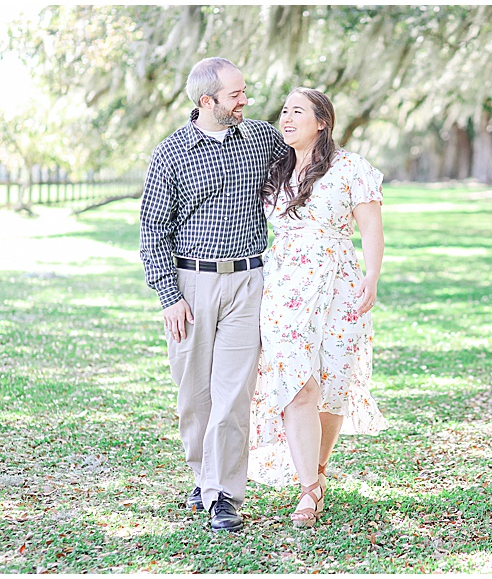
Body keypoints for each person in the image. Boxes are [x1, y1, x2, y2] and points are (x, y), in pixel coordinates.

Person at [139, 57, 289, 532]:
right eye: (235, 95)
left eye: (245, 91)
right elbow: (152, 232)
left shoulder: (263, 138)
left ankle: (223, 494)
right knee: (194, 398)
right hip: (191, 285)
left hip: (249, 281)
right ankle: (203, 476)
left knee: (233, 396)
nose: (245, 100)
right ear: (208, 102)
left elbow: (309, 157)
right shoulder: (171, 154)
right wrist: (169, 296)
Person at [248, 88, 389, 528]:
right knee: (298, 383)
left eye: (297, 111)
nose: (286, 118)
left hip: (339, 282)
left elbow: (370, 229)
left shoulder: (352, 168)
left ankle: (319, 472)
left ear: (322, 121)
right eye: (284, 111)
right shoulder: (275, 169)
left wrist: (372, 276)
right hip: (286, 282)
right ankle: (308, 488)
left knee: (333, 382)